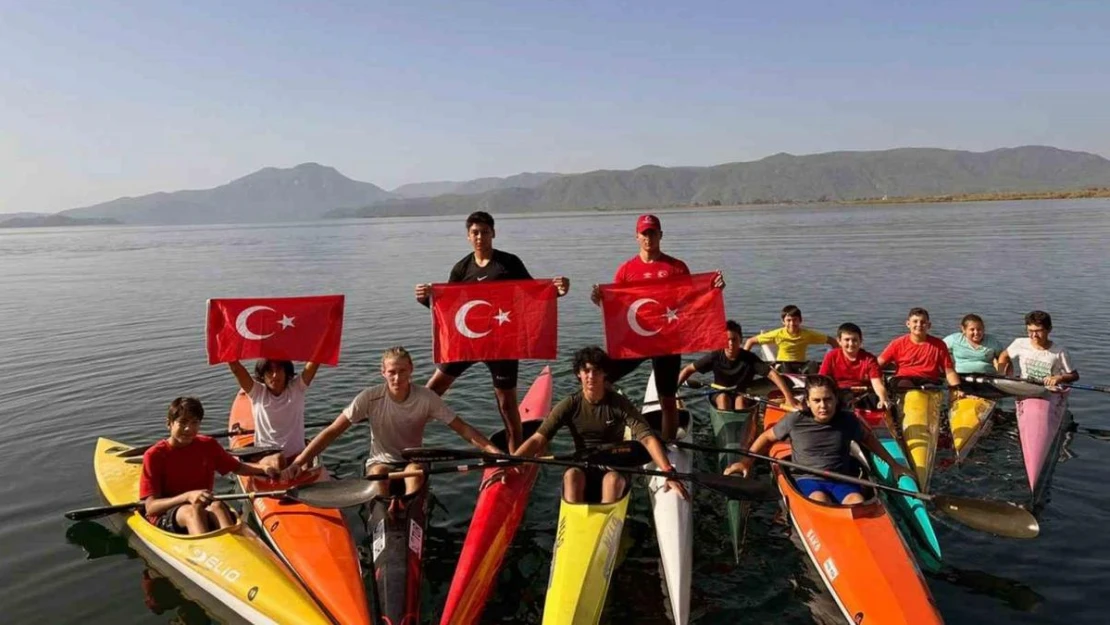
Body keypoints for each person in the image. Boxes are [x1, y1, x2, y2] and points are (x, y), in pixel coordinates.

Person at [415, 211, 570, 453]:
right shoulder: (461, 268)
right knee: (433, 389)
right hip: (467, 341)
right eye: (475, 233)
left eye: (485, 232)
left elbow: (535, 294)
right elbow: (449, 308)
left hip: (502, 343)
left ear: (493, 234)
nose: (480, 237)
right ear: (468, 236)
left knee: (507, 404)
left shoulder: (509, 263)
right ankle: (406, 433)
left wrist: (557, 291)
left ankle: (516, 456)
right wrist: (426, 300)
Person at [282, 347, 501, 496]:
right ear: (383, 373)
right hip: (381, 461)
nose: (397, 378)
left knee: (414, 471)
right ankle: (385, 514)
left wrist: (493, 451)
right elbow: (333, 431)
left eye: (402, 371)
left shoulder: (426, 398)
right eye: (392, 372)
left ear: (411, 370)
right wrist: (299, 463)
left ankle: (407, 509)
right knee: (378, 474)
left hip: (412, 461)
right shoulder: (369, 397)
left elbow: (462, 428)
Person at [589, 213, 725, 441]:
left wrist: (713, 289)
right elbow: (617, 307)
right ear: (637, 236)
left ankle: (669, 444)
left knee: (668, 398)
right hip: (636, 340)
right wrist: (599, 300)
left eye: (652, 233)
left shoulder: (676, 267)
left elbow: (692, 301)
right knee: (603, 379)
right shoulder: (626, 270)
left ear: (660, 235)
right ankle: (621, 421)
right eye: (644, 233)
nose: (648, 237)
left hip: (667, 342)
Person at [514, 346, 689, 504]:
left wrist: (668, 471)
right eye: (586, 371)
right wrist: (513, 461)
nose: (591, 376)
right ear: (578, 374)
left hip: (615, 465)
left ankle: (607, 524)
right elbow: (538, 439)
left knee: (612, 480)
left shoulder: (619, 404)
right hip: (584, 464)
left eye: (596, 371)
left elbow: (648, 439)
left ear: (605, 374)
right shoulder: (569, 405)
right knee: (571, 475)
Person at [724, 376, 914, 504]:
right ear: (807, 401)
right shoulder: (795, 420)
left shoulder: (848, 420)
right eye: (817, 401)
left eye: (828, 399)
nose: (823, 406)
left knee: (857, 500)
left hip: (842, 478)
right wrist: (746, 462)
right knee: (818, 499)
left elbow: (869, 439)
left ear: (836, 399)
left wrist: (894, 465)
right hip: (808, 479)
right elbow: (766, 437)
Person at [140, 397, 279, 535]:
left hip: (203, 506)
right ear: (169, 424)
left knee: (217, 506)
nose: (188, 429)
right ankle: (206, 551)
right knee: (192, 511)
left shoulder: (208, 445)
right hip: (167, 514)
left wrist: (264, 468)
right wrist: (187, 496)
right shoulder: (154, 455)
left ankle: (238, 544)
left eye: (194, 423)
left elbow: (237, 467)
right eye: (182, 423)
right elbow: (151, 508)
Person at [677, 320, 801, 411]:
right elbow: (688, 369)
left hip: (744, 393)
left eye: (734, 340)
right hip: (719, 392)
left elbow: (773, 374)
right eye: (727, 340)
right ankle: (726, 426)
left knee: (740, 401)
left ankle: (739, 431)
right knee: (723, 398)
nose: (730, 344)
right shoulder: (715, 356)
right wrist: (673, 392)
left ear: (740, 340)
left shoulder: (749, 358)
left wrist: (789, 398)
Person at [226, 359, 320, 469]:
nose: (275, 376)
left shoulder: (297, 388)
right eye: (269, 371)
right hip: (268, 456)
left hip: (298, 456)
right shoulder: (257, 392)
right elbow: (236, 369)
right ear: (263, 375)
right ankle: (260, 467)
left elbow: (315, 362)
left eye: (279, 370)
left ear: (286, 373)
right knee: (278, 460)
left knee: (306, 462)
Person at [877, 308, 962, 392]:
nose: (919, 325)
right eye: (915, 321)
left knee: (929, 389)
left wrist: (957, 390)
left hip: (929, 381)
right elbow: (877, 364)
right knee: (905, 386)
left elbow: (949, 371)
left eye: (923, 322)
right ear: (908, 324)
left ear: (929, 325)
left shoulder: (939, 345)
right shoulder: (897, 343)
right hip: (904, 379)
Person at [997, 310, 1079, 389]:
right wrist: (1002, 376)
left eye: (1038, 331)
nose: (1034, 335)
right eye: (1030, 331)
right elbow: (1004, 356)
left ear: (1049, 329)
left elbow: (1074, 375)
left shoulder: (1060, 351)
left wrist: (1059, 378)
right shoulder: (1019, 343)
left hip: (1050, 390)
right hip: (1025, 388)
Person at [743, 305, 837, 373]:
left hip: (800, 365)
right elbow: (750, 341)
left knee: (813, 364)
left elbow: (832, 341)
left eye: (795, 320)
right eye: (788, 320)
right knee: (785, 366)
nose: (792, 324)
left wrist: (838, 359)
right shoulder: (777, 334)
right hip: (782, 364)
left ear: (800, 320)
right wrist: (742, 362)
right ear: (783, 322)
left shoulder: (807, 334)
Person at [819, 322, 891, 409]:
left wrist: (883, 398)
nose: (851, 344)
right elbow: (822, 380)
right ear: (839, 341)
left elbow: (877, 383)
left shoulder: (869, 359)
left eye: (854, 340)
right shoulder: (831, 356)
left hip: (864, 394)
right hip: (839, 393)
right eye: (847, 340)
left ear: (861, 341)